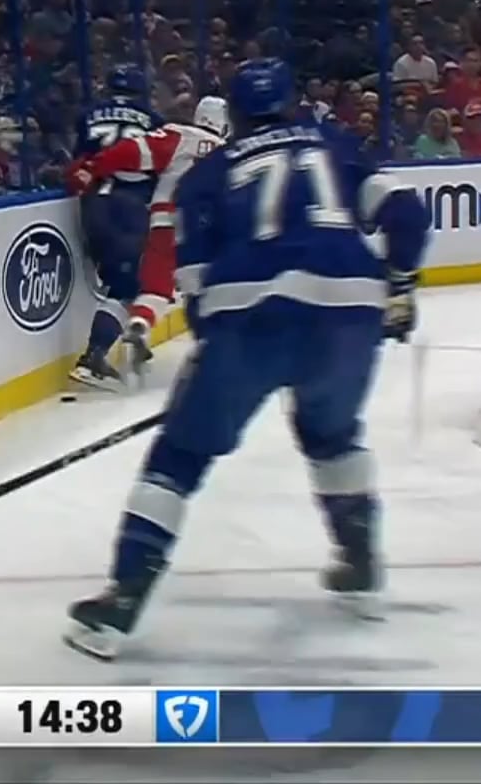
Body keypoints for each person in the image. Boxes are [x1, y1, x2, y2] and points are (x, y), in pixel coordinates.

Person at [63, 58, 429, 661]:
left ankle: (122, 602)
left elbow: (194, 284)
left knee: (181, 455)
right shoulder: (336, 146)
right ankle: (361, 565)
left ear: (233, 113)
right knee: (333, 435)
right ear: (290, 103)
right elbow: (407, 213)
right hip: (349, 313)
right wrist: (401, 286)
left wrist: (213, 358)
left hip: (251, 316)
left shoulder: (207, 174)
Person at [64, 96, 230, 379]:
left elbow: (132, 151)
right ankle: (217, 352)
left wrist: (93, 166)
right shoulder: (230, 152)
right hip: (208, 231)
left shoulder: (179, 134)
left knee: (154, 288)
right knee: (208, 291)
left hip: (166, 220)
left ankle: (139, 323)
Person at [69, 67, 165, 390]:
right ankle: (93, 357)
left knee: (125, 281)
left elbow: (78, 166)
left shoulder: (88, 115)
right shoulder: (154, 120)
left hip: (93, 206)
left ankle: (118, 343)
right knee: (128, 285)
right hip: (130, 207)